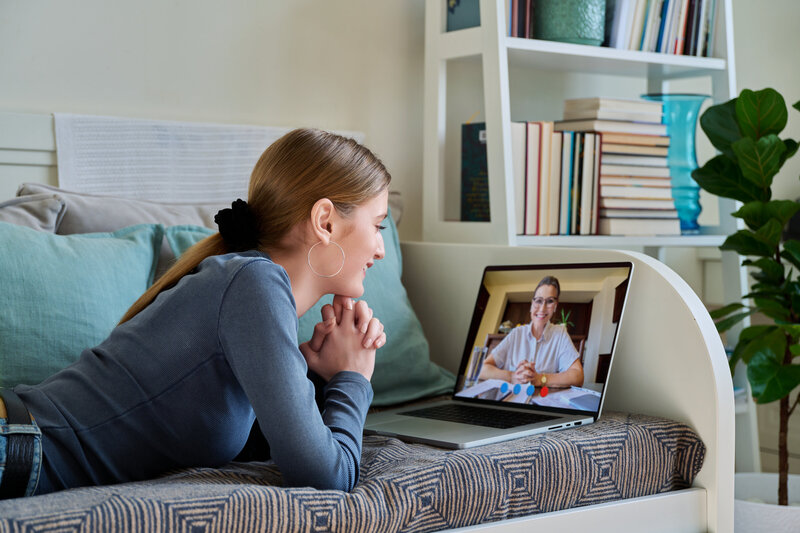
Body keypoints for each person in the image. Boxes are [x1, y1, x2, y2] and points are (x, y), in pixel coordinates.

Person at [0, 128, 391, 499]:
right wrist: (353, 379)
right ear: (325, 221)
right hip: (14, 445)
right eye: (377, 226)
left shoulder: (247, 283)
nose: (380, 249)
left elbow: (258, 446)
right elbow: (326, 479)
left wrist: (318, 379)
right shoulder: (254, 284)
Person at [478, 276, 584, 388]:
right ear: (531, 305)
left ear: (555, 306)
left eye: (549, 301)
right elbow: (482, 369)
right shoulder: (516, 333)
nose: (542, 308)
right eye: (538, 300)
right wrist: (512, 376)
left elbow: (578, 376)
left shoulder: (560, 334)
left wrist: (540, 379)